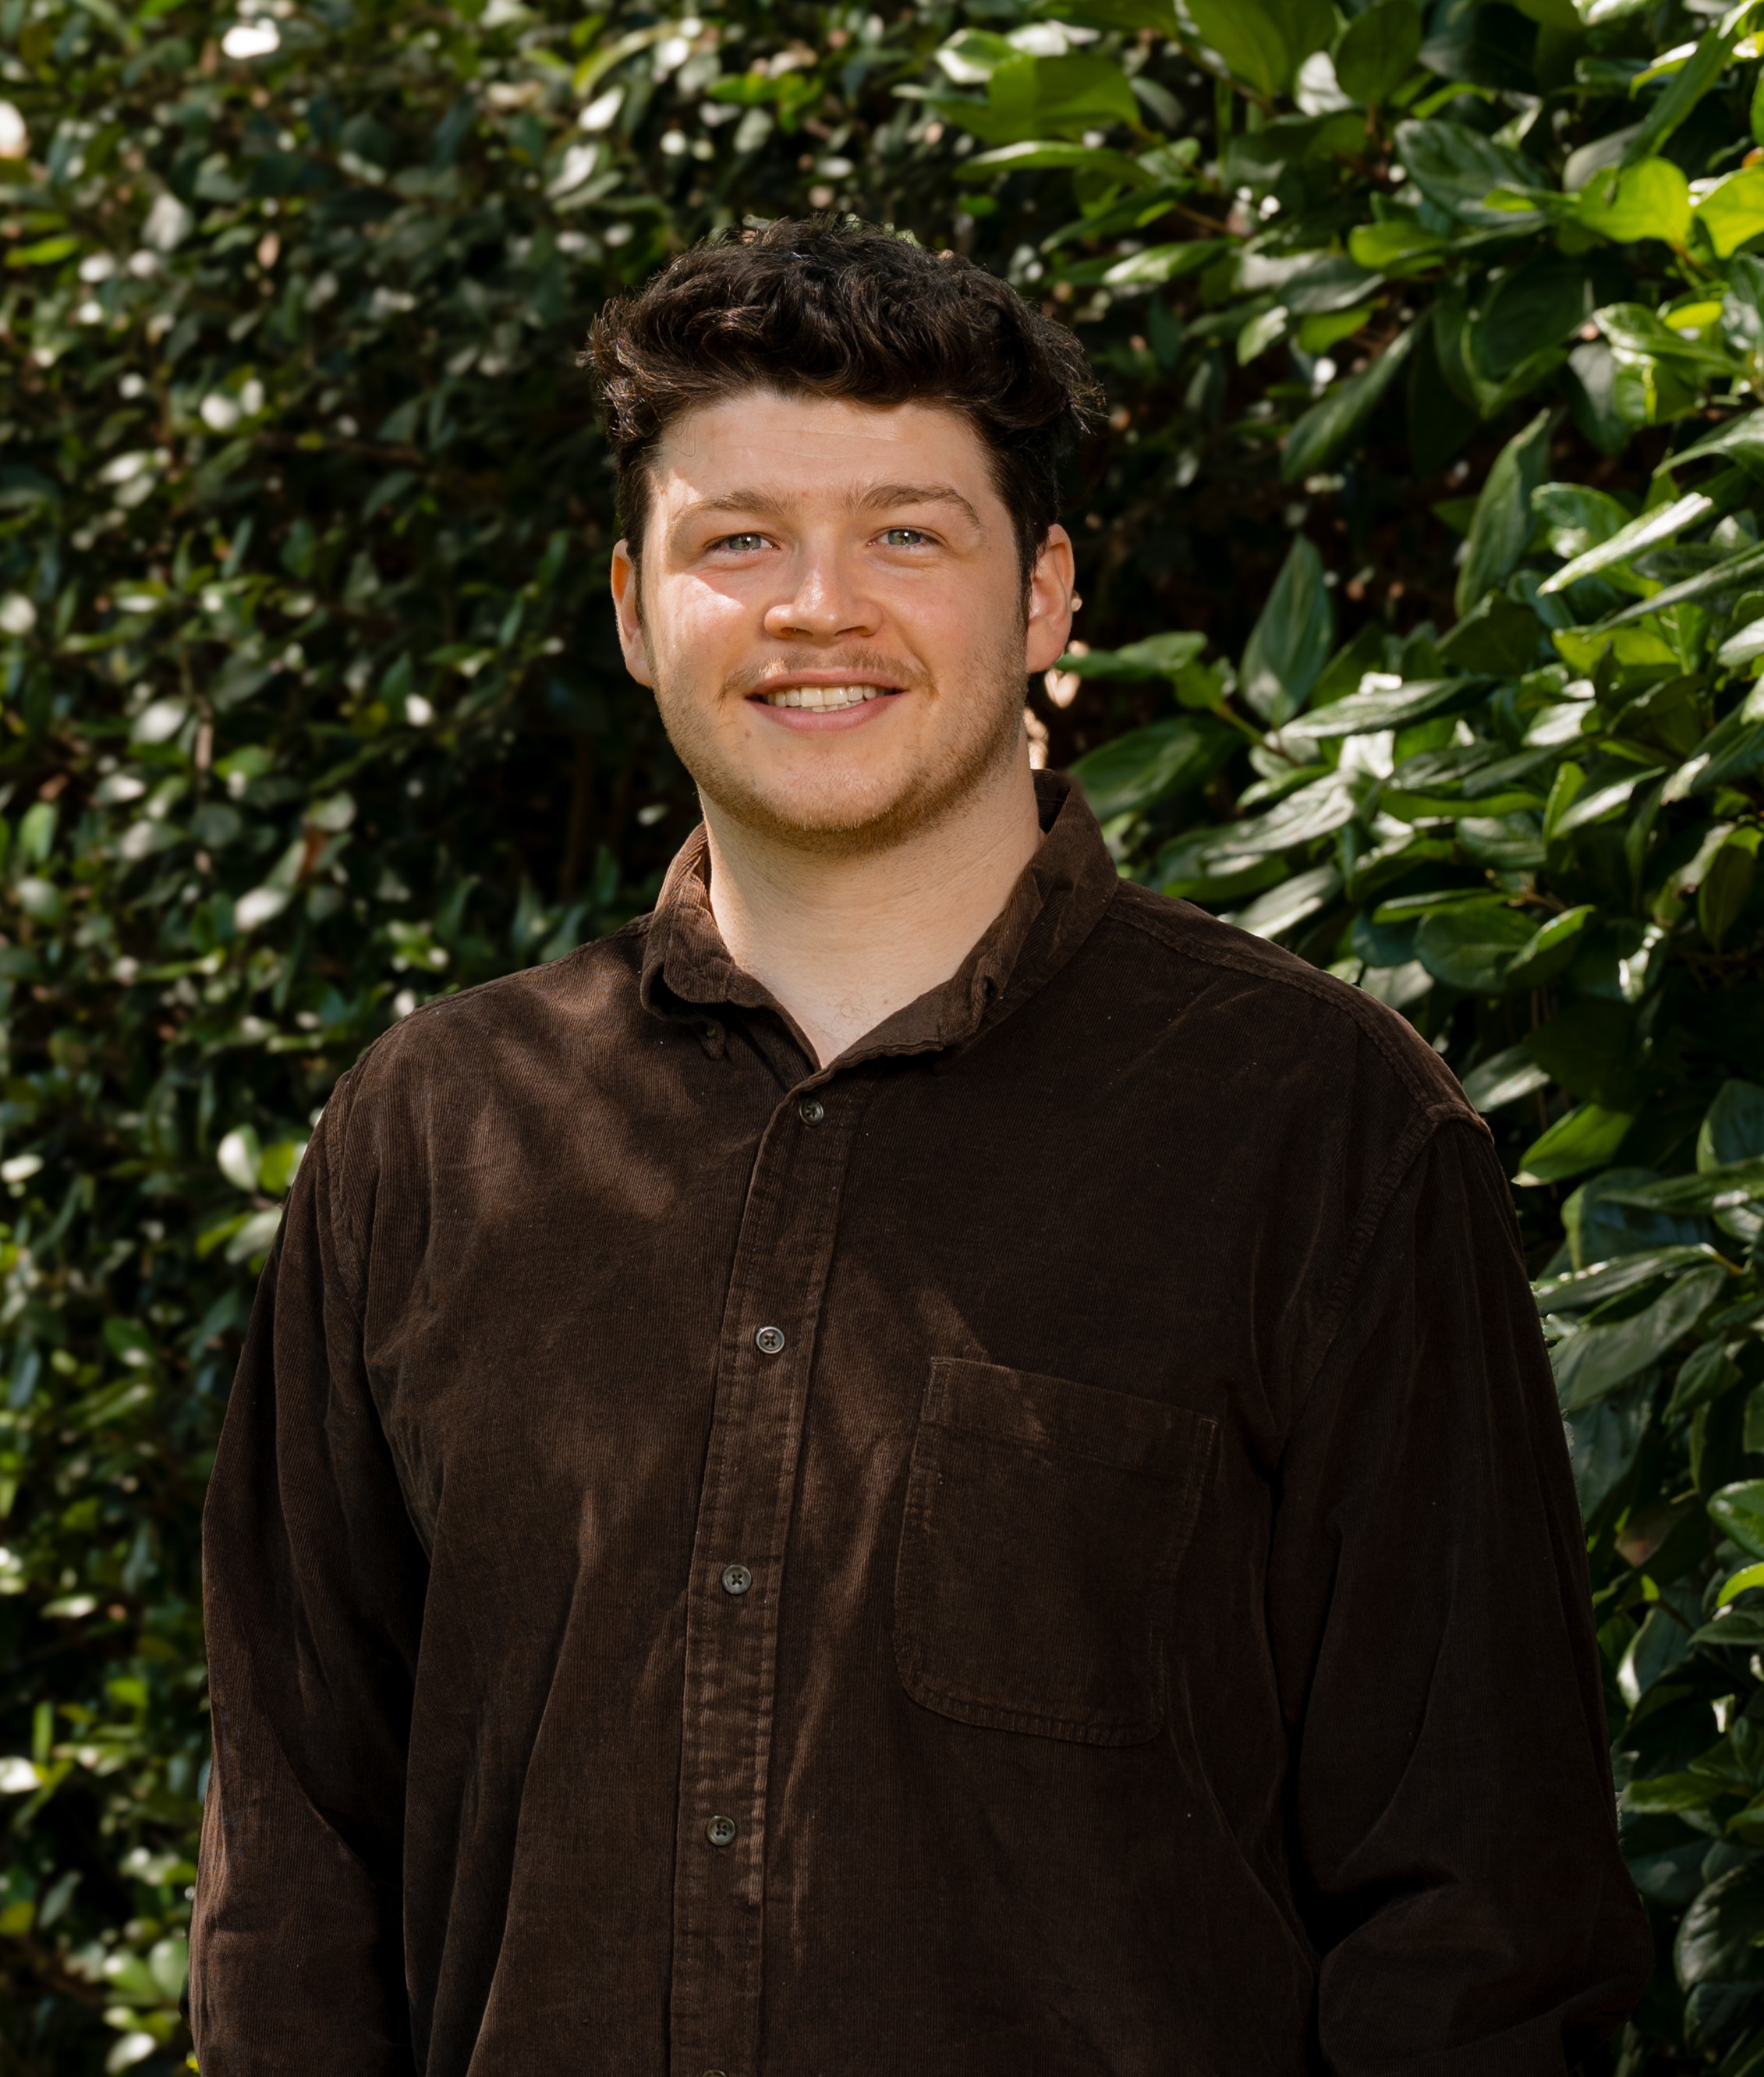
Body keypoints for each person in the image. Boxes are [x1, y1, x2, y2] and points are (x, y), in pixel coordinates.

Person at [190, 218, 1650, 2075]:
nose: (817, 607)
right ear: (636, 611)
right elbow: (294, 1876)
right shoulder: (429, 1141)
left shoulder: (1322, 1137)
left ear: (1042, 599)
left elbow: (1485, 1926)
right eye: (738, 541)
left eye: (905, 532)